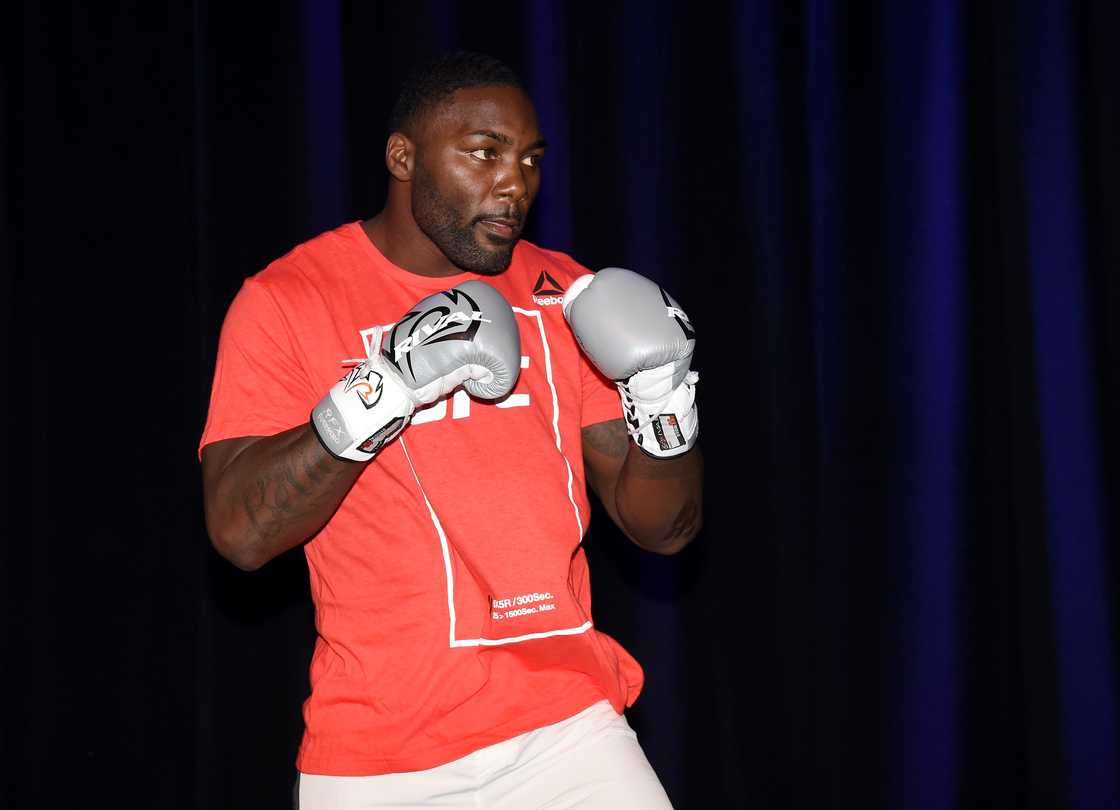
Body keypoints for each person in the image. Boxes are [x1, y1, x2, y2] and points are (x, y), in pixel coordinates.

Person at [200, 51, 703, 809]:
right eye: (484, 153)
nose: (515, 184)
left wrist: (664, 403)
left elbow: (664, 529)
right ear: (403, 156)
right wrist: (384, 387)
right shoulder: (287, 300)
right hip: (378, 754)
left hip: (568, 732)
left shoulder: (565, 294)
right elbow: (240, 532)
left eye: (530, 159)